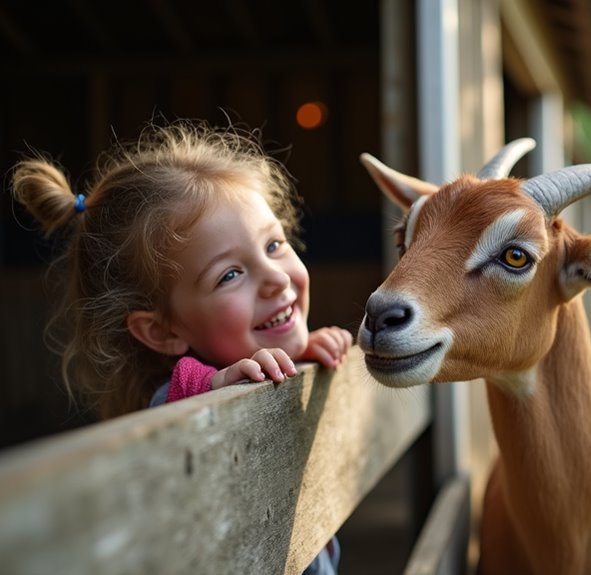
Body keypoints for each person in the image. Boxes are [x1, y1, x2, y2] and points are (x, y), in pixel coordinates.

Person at [11, 119, 352, 574]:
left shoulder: (275, 349)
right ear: (162, 333)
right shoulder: (178, 404)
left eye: (274, 244)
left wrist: (303, 353)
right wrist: (219, 385)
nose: (274, 277)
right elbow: (179, 397)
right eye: (229, 274)